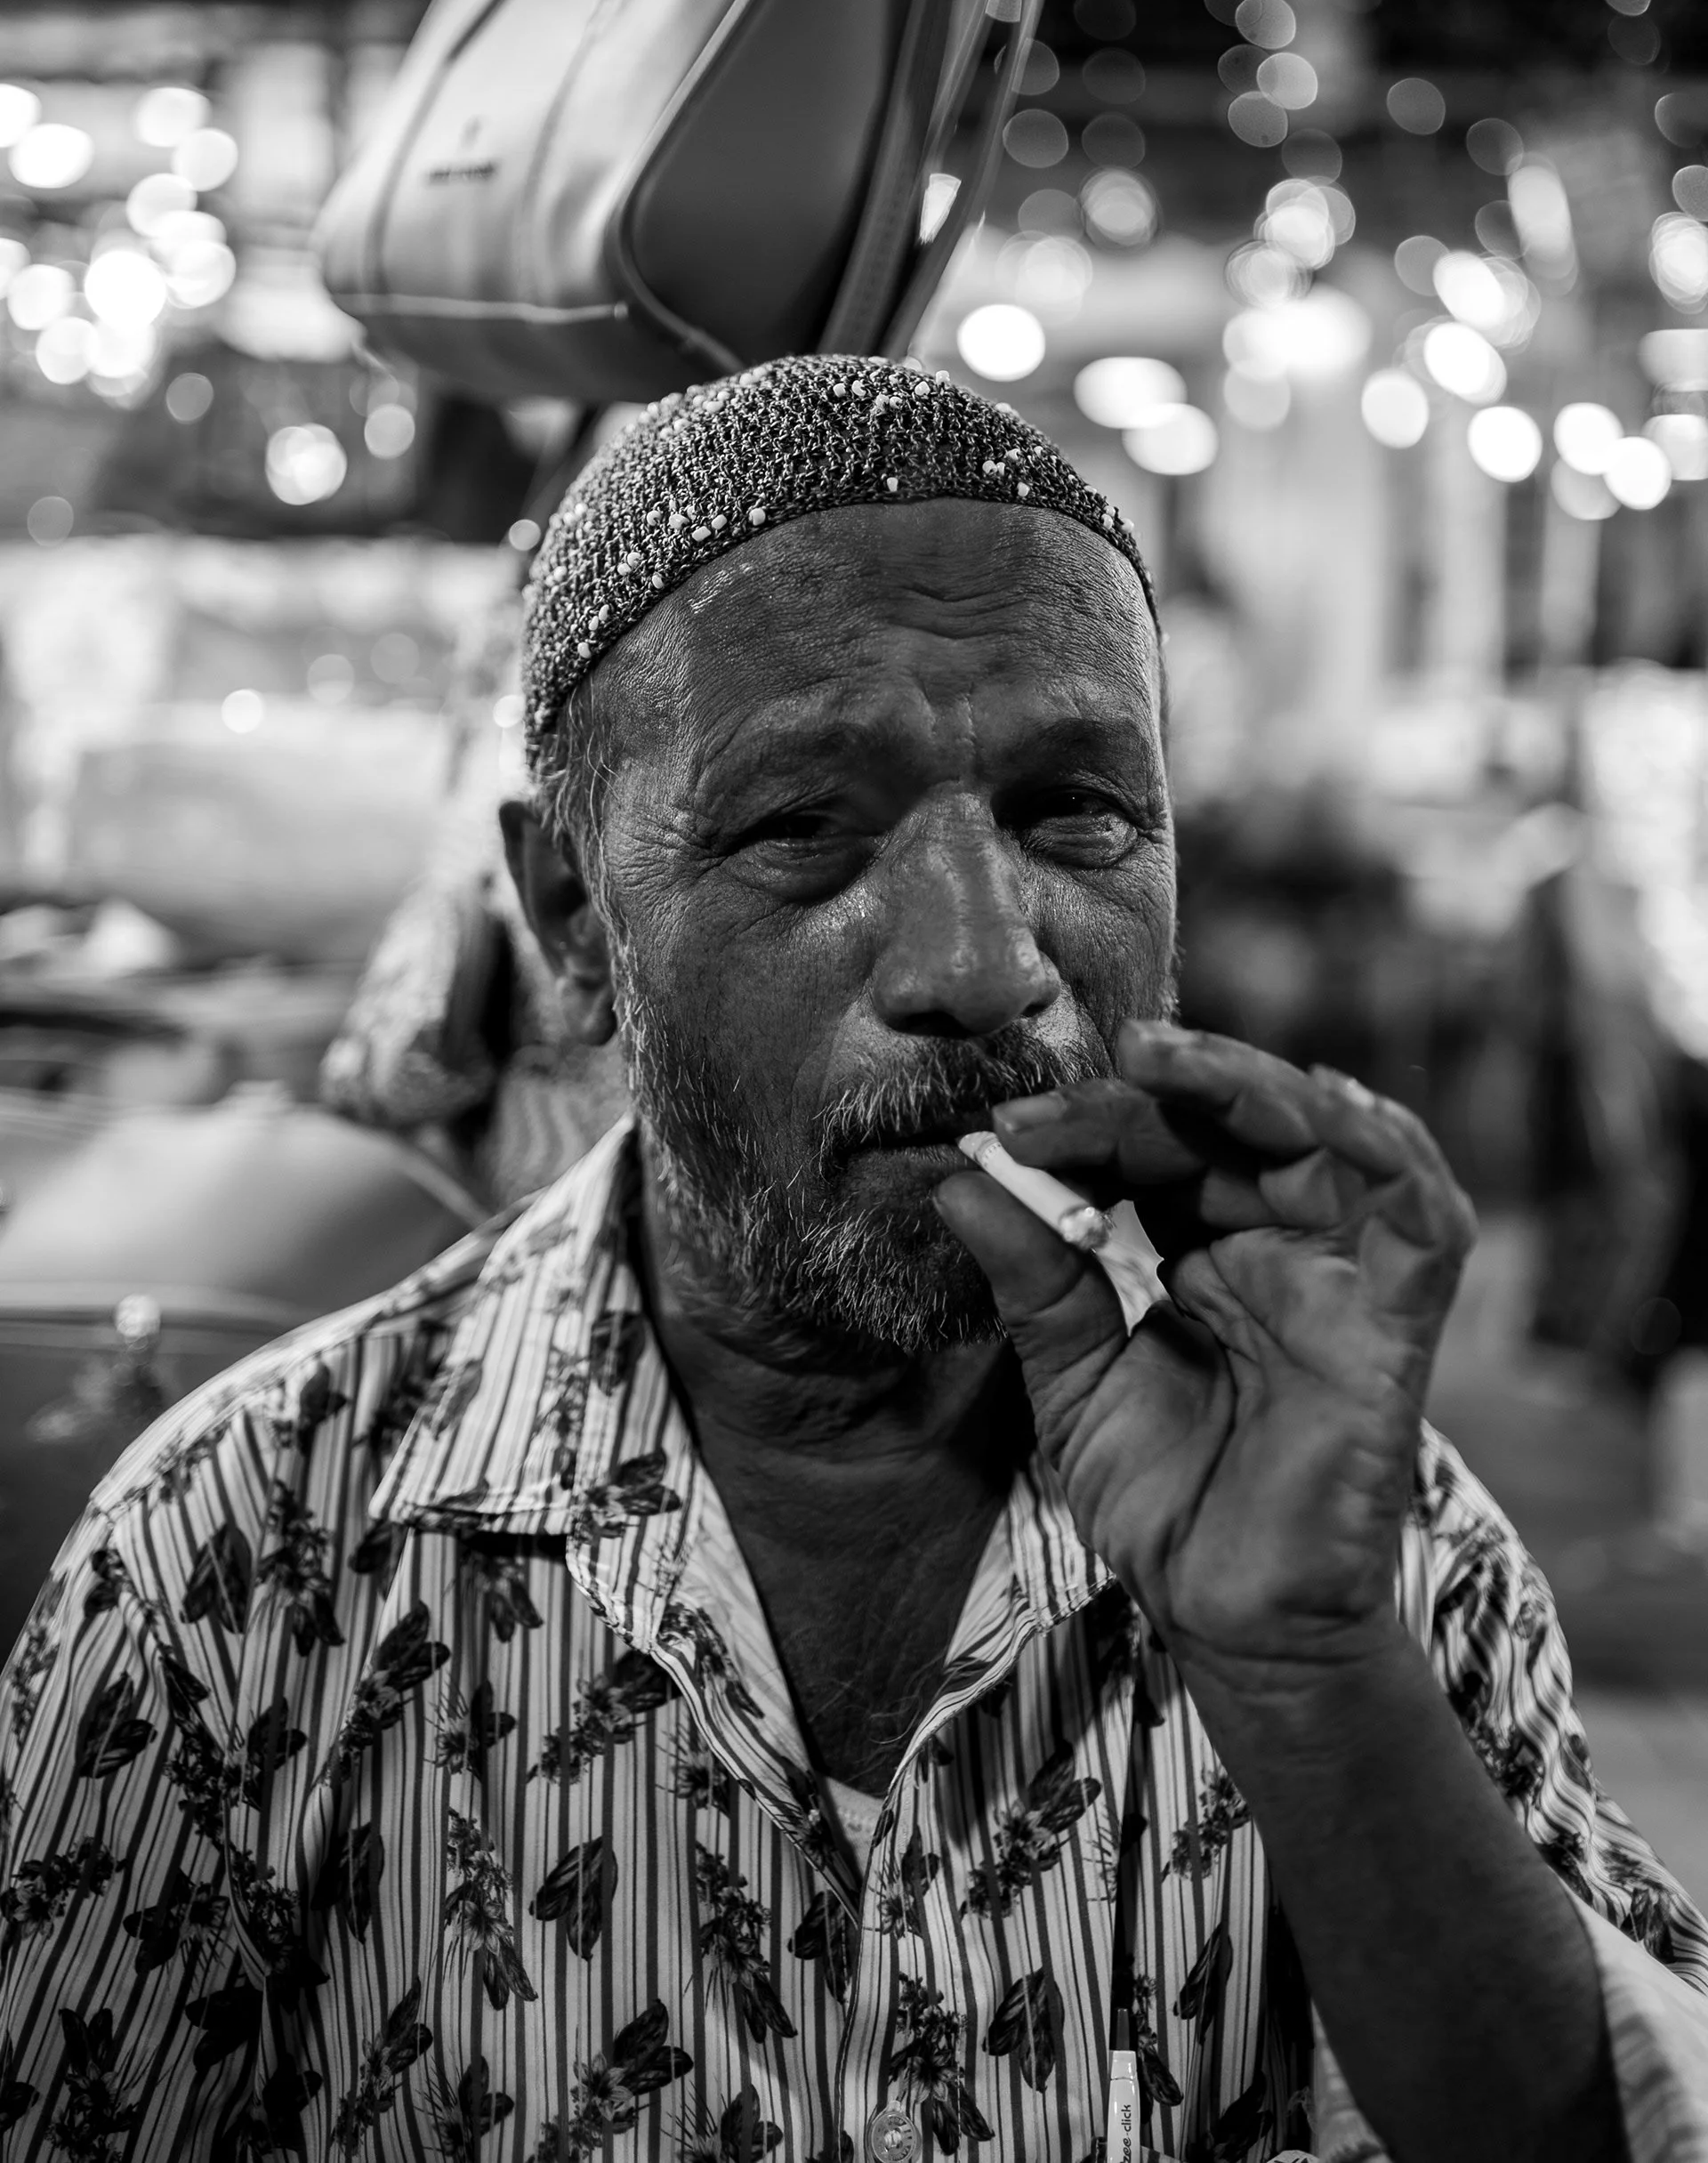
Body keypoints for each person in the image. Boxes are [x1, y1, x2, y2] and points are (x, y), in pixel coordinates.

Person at [0, 357, 1704, 2163]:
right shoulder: (247, 1565)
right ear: (573, 918)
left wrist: (1308, 1671)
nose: (982, 965)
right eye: (806, 826)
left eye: (1079, 817)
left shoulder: (1377, 1549)